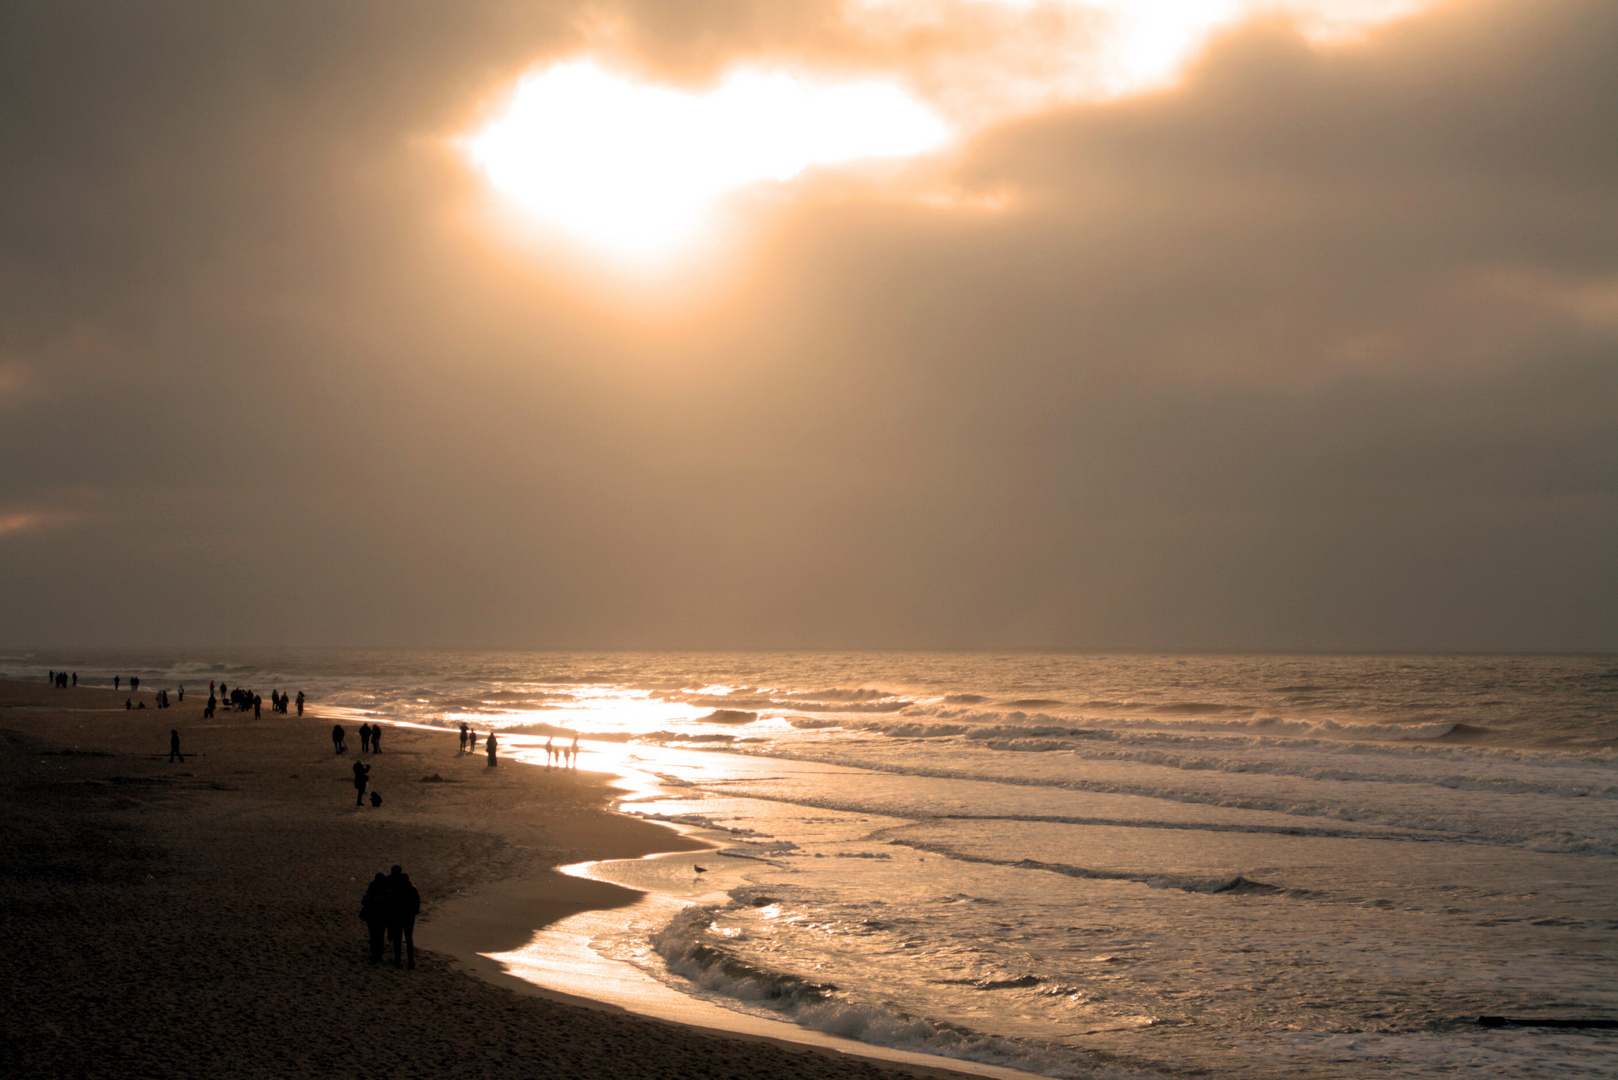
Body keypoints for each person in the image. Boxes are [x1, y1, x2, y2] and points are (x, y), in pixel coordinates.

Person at [385, 865, 420, 969]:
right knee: (407, 940)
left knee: (399, 940)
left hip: (399, 917)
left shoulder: (397, 889)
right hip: (406, 918)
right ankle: (409, 962)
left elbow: (391, 903)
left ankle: (398, 961)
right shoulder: (412, 889)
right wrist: (413, 912)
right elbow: (417, 904)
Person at [360, 872, 389, 963]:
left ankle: (375, 954)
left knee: (374, 936)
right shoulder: (385, 890)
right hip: (377, 917)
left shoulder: (373, 888)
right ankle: (377, 954)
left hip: (374, 916)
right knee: (378, 936)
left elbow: (364, 900)